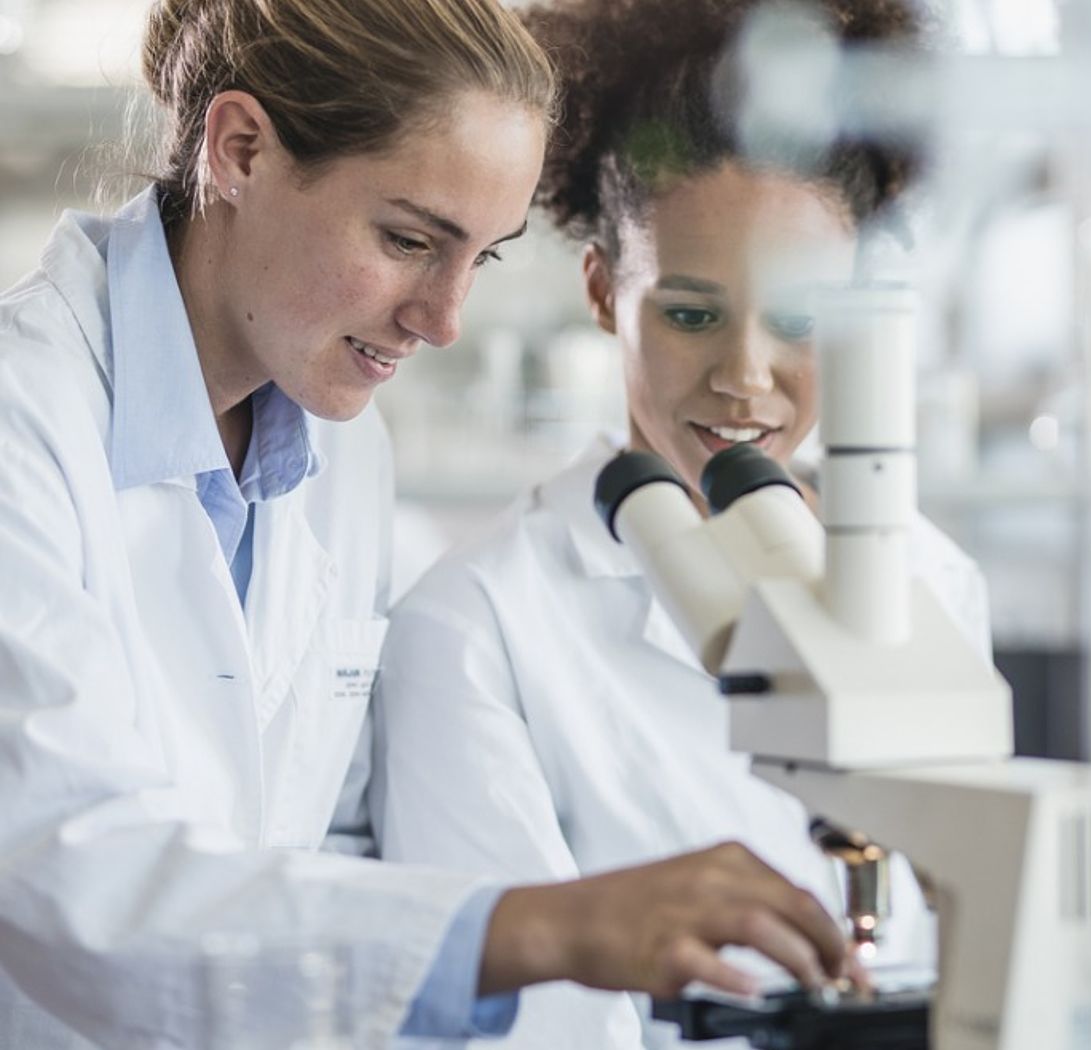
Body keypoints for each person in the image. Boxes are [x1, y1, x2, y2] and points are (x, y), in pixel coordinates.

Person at [0, 2, 857, 1047]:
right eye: (409, 240)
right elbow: (70, 874)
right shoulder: (23, 424)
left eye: (481, 259)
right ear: (239, 151)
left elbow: (330, 848)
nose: (444, 321)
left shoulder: (339, 450)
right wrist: (550, 924)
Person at [370, 0, 992, 1046]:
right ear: (607, 293)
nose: (746, 375)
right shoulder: (475, 627)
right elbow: (520, 1024)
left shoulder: (933, 581)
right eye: (693, 314)